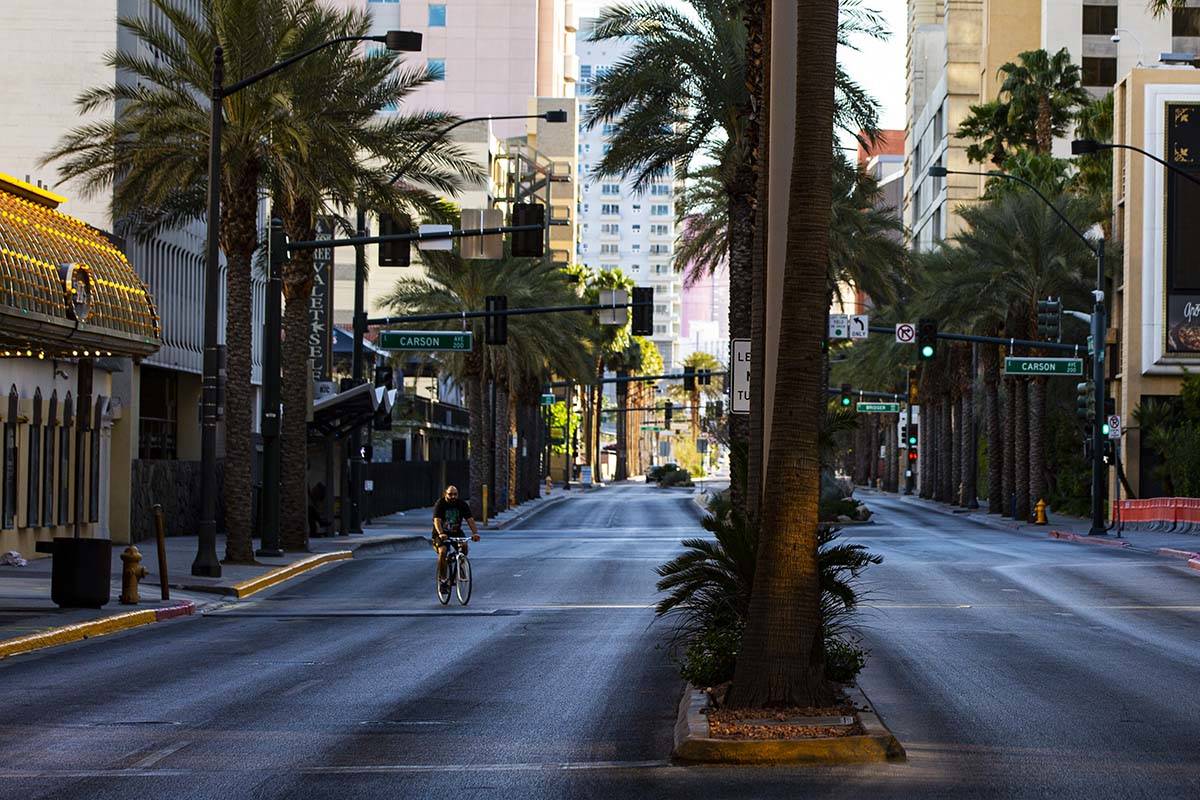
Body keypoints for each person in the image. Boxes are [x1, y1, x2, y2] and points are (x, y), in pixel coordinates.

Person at [432, 485, 479, 589]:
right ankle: (443, 579)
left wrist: (475, 533)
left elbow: (470, 519)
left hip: (456, 532)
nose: (453, 496)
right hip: (441, 533)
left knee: (464, 546)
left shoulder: (462, 504)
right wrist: (440, 533)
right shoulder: (440, 504)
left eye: (455, 494)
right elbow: (437, 520)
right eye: (450, 494)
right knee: (443, 551)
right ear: (445, 494)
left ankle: (461, 566)